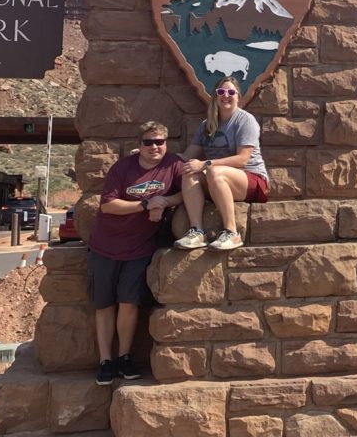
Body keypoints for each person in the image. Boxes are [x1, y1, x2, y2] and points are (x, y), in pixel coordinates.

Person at [87, 121, 183, 386]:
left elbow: (186, 192)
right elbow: (108, 205)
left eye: (160, 141)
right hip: (106, 244)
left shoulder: (173, 165)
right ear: (139, 145)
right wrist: (144, 204)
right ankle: (106, 360)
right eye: (149, 142)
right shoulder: (123, 168)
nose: (155, 147)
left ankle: (124, 356)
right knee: (104, 305)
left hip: (140, 248)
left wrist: (164, 201)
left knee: (129, 303)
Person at [174, 75, 268, 251]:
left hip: (252, 180)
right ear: (215, 96)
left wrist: (205, 164)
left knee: (213, 171)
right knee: (189, 171)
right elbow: (186, 156)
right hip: (217, 180)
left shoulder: (245, 121)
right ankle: (197, 232)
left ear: (238, 97)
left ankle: (232, 233)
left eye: (231, 91)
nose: (226, 95)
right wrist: (154, 157)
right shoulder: (206, 125)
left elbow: (242, 159)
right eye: (221, 91)